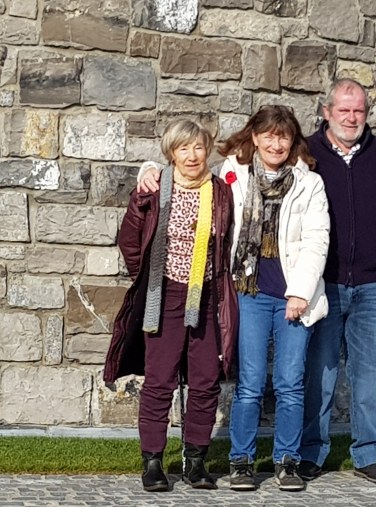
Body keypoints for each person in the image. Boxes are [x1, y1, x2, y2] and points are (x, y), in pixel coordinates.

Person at [137, 106, 331, 492]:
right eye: (269, 136)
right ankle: (237, 460)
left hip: (292, 295)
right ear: (255, 138)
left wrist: (300, 292)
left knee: (289, 383)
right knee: (249, 383)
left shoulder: (309, 184)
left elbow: (316, 240)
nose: (276, 143)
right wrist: (146, 168)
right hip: (246, 293)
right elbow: (180, 168)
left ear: (292, 142)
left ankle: (285, 460)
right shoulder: (234, 174)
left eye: (284, 137)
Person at [103, 119, 238, 492]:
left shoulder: (221, 191)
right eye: (183, 149)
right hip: (165, 296)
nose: (192, 156)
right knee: (159, 381)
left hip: (208, 294)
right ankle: (152, 463)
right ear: (171, 153)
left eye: (198, 148)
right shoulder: (154, 187)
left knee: (206, 381)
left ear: (207, 149)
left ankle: (195, 461)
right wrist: (146, 278)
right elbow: (129, 238)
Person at [298, 78, 376, 485]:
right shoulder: (307, 154)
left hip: (374, 285)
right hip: (324, 284)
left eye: (359, 111)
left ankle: (368, 454)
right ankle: (312, 452)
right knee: (320, 372)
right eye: (344, 110)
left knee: (370, 372)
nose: (352, 118)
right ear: (326, 111)